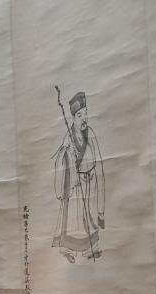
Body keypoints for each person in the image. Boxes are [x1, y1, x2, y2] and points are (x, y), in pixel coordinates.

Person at [52, 90, 106, 263]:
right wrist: (68, 152)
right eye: (79, 115)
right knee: (74, 222)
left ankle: (91, 249)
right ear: (73, 117)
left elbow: (99, 161)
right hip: (75, 185)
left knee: (90, 219)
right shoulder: (68, 137)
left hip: (91, 182)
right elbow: (60, 161)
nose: (84, 118)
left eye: (86, 113)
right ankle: (68, 250)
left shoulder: (91, 133)